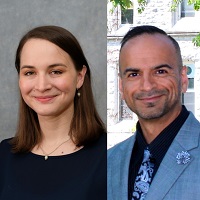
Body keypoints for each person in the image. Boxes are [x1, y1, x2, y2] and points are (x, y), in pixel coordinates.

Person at [0, 25, 106, 200]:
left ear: (80, 77)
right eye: (30, 72)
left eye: (55, 71)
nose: (42, 86)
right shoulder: (4, 156)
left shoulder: (110, 156)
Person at [107, 25, 200, 200]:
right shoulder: (108, 162)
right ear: (121, 86)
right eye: (134, 74)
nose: (147, 86)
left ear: (183, 79)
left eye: (160, 71)